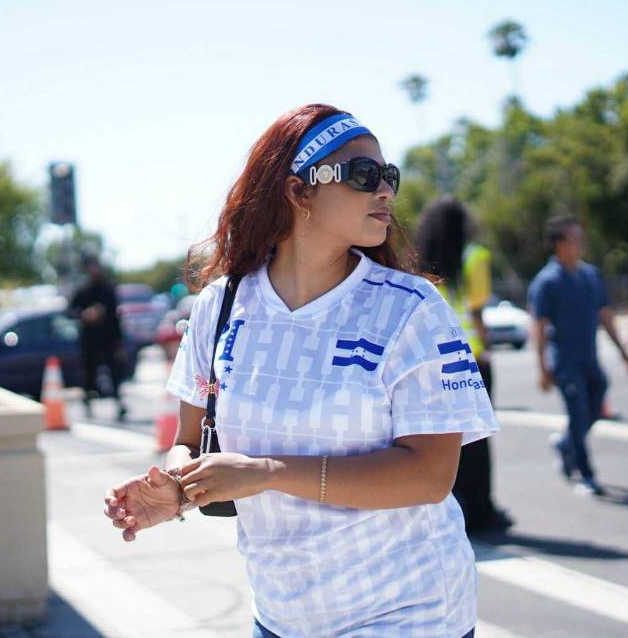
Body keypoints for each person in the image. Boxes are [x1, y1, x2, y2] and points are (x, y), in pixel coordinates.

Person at [104, 104, 497, 637]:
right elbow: (192, 442)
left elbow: (429, 477)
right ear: (298, 191)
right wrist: (175, 487)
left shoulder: (412, 308)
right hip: (282, 615)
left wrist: (269, 473)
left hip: (409, 609)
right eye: (364, 175)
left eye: (389, 176)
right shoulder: (221, 306)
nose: (385, 191)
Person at [413, 195, 512, 532]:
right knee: (477, 440)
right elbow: (476, 308)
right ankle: (482, 510)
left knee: (443, 439)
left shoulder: (420, 262)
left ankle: (453, 505)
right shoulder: (475, 257)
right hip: (471, 357)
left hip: (434, 359)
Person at [528, 216, 628, 497]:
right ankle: (585, 473)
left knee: (595, 406)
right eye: (575, 238)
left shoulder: (590, 275)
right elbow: (537, 327)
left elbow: (605, 316)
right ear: (560, 243)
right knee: (577, 413)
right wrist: (541, 368)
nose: (581, 244)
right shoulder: (546, 282)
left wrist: (624, 352)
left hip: (590, 358)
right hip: (565, 362)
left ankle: (566, 445)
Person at [70, 259, 127, 420]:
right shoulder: (83, 290)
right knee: (89, 373)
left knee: (114, 373)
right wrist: (85, 314)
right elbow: (71, 311)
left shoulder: (108, 290)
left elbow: (116, 318)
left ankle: (119, 403)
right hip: (89, 340)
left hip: (108, 339)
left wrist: (119, 342)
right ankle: (88, 402)